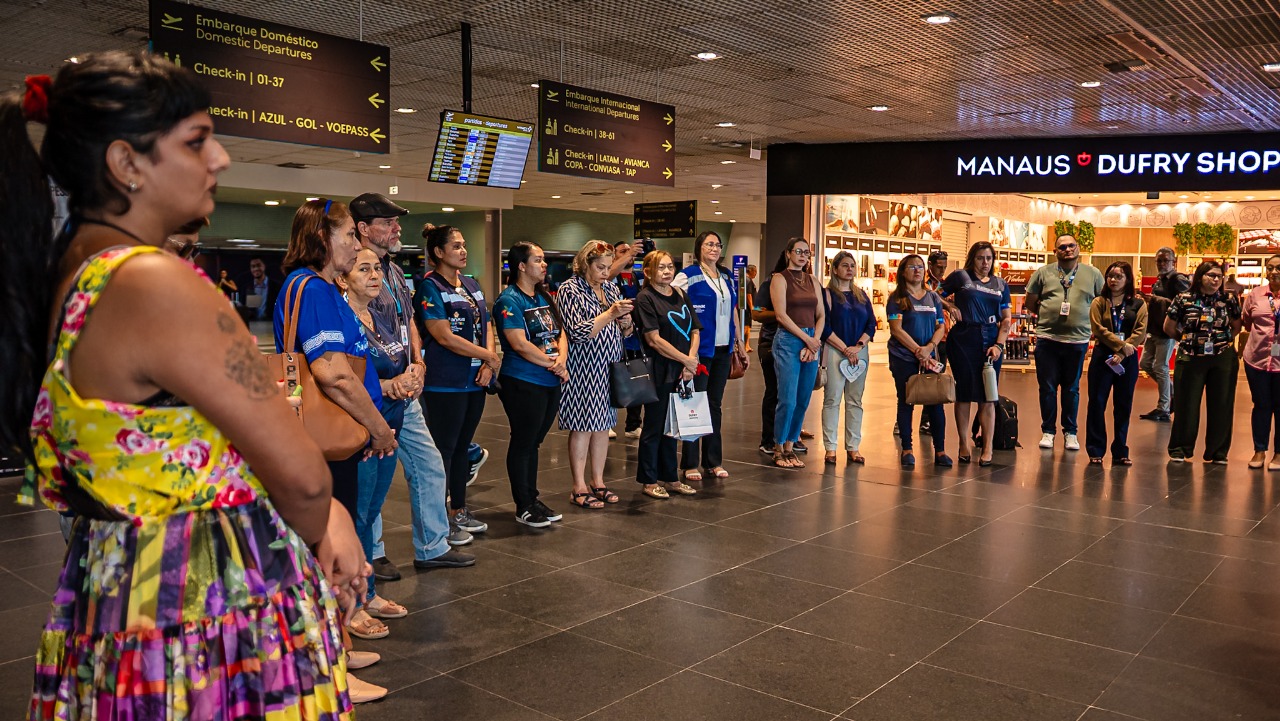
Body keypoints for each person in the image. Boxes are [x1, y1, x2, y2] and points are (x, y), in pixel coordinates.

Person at [3, 52, 367, 718]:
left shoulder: (70, 270)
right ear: (126, 163)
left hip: (118, 588)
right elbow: (304, 478)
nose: (220, 158)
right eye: (197, 141)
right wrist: (323, 518)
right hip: (205, 597)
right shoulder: (154, 282)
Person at [350, 197, 473, 576]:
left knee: (429, 464)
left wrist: (418, 363)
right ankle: (372, 555)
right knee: (373, 477)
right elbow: (358, 335)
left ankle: (432, 547)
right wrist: (389, 381)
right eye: (387, 222)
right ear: (363, 229)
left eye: (396, 223)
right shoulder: (352, 272)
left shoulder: (397, 273)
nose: (396, 228)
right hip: (376, 392)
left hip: (408, 390)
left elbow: (409, 324)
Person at [276, 199, 397, 522]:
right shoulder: (313, 289)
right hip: (327, 441)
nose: (357, 246)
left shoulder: (326, 289)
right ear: (321, 238)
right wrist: (379, 428)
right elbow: (334, 375)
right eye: (348, 236)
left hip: (345, 433)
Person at [338, 247, 412, 638]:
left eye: (377, 269)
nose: (374, 275)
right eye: (363, 269)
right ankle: (353, 604)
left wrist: (410, 377)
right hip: (363, 431)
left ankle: (368, 592)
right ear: (342, 278)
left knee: (372, 511)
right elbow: (344, 380)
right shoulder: (344, 319)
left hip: (392, 425)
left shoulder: (380, 316)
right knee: (359, 517)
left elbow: (397, 360)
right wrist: (389, 386)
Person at [414, 224, 497, 534]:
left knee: (463, 446)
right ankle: (439, 518)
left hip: (475, 378)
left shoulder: (472, 284)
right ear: (439, 252)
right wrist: (487, 355)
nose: (464, 251)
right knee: (444, 448)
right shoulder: (430, 287)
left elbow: (486, 324)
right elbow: (443, 336)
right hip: (444, 380)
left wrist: (487, 360)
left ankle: (460, 509)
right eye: (457, 246)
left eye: (464, 245)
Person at [493, 242, 569, 527]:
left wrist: (561, 359)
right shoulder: (509, 300)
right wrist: (554, 364)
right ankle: (523, 505)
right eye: (538, 260)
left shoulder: (544, 296)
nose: (544, 265)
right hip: (523, 380)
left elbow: (561, 334)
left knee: (534, 443)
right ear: (521, 266)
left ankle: (532, 498)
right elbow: (519, 344)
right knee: (523, 442)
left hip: (550, 379)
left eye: (544, 259)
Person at [558, 241, 631, 508]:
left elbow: (626, 332)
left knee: (603, 426)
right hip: (583, 367)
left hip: (610, 365)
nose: (604, 272)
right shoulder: (570, 289)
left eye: (607, 267)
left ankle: (598, 480)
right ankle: (578, 485)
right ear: (585, 264)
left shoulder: (611, 288)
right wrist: (610, 313)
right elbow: (576, 332)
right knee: (583, 425)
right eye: (599, 267)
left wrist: (625, 322)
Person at [674, 231, 748, 481]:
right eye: (709, 244)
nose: (714, 249)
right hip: (699, 350)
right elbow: (672, 304)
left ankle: (713, 461)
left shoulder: (726, 276)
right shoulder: (688, 276)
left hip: (723, 349)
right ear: (699, 248)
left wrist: (739, 343)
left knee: (715, 405)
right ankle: (690, 463)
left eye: (718, 245)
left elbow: (733, 311)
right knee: (694, 403)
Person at [1024, 233, 1105, 451]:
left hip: (1077, 340)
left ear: (1078, 248)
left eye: (1071, 246)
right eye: (1062, 247)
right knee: (1048, 388)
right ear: (1055, 251)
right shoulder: (1042, 273)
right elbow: (1030, 302)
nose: (1067, 250)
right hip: (1047, 339)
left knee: (1071, 389)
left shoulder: (1093, 274)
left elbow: (1102, 303)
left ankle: (1071, 432)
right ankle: (1047, 431)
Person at [634, 250, 702, 498]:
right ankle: (649, 480)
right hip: (659, 369)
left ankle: (671, 477)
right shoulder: (645, 298)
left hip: (684, 369)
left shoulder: (681, 294)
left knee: (674, 426)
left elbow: (695, 329)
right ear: (648, 271)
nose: (666, 272)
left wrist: (690, 361)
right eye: (661, 268)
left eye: (670, 267)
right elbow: (653, 339)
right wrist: (685, 359)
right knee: (654, 426)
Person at [940, 242, 1010, 466]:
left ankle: (987, 446)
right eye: (980, 258)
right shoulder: (961, 277)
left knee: (988, 394)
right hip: (963, 338)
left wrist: (999, 344)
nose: (985, 263)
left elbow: (1006, 318)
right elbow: (934, 295)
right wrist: (949, 306)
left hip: (990, 338)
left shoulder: (1000, 284)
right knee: (964, 391)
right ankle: (963, 442)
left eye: (989, 258)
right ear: (973, 258)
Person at [1164, 260, 1242, 463]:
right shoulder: (1183, 299)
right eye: (1211, 275)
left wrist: (1221, 342)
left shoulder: (1229, 299)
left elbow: (1236, 326)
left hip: (1222, 356)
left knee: (1222, 405)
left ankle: (1218, 452)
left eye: (1219, 276)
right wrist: (1186, 340)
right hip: (1191, 356)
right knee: (1186, 404)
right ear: (1200, 277)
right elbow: (1169, 327)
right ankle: (1180, 448)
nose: (1216, 279)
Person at [886, 254, 952, 468]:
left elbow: (940, 325)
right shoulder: (897, 299)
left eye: (920, 267)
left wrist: (929, 348)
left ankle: (940, 451)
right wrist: (917, 351)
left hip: (929, 356)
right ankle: (907, 449)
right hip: (903, 356)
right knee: (906, 401)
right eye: (912, 267)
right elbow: (896, 330)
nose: (917, 271)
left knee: (935, 401)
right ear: (903, 271)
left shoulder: (932, 297)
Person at [1084, 262, 1148, 466]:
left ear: (1128, 279)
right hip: (1103, 356)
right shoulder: (1099, 302)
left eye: (1119, 276)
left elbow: (1140, 331)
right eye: (1110, 276)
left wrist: (1122, 352)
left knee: (1123, 405)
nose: (1113, 280)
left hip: (1127, 360)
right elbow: (1098, 329)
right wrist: (1121, 346)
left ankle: (1120, 450)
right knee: (1096, 403)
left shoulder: (1138, 304)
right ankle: (1095, 449)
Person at [769, 237, 825, 468]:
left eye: (806, 252)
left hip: (811, 339)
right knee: (788, 399)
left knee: (803, 399)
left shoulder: (813, 280)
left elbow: (821, 314)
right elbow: (781, 315)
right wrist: (806, 340)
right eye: (798, 251)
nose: (803, 255)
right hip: (789, 340)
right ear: (788, 253)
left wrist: (815, 340)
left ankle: (791, 446)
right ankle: (778, 447)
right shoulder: (779, 279)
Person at [820, 251, 876, 465]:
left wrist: (859, 345)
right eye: (845, 265)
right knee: (832, 399)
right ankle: (830, 448)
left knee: (855, 400)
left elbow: (871, 324)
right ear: (835, 269)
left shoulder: (861, 295)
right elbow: (824, 326)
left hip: (859, 353)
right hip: (836, 351)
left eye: (852, 265)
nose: (849, 269)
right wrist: (845, 348)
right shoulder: (827, 294)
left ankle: (853, 447)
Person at [1139, 247, 1189, 422]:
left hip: (1167, 332)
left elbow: (1186, 302)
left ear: (1173, 261)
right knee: (1145, 363)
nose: (1161, 264)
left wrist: (1154, 299)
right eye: (1159, 261)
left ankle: (1164, 408)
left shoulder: (1178, 280)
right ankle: (1173, 393)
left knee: (1161, 367)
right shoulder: (1160, 280)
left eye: (1165, 260)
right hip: (1154, 329)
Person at [1239, 254, 1280, 469]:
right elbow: (1247, 322)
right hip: (1257, 359)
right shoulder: (1255, 294)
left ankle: (1279, 454)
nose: (1274, 272)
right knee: (1261, 405)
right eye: (1270, 268)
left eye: (1279, 268)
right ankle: (1259, 450)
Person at [613, 239, 645, 439]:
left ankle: (633, 424)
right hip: (614, 333)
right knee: (612, 377)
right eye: (623, 251)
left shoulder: (638, 277)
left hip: (635, 334)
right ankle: (608, 420)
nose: (629, 253)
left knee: (637, 377)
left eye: (630, 251)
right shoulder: (610, 277)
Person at [239, 256, 279, 322]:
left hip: (271, 324)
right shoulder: (247, 287)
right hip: (253, 325)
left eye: (258, 265)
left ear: (264, 266)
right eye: (253, 266)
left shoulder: (276, 286)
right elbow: (243, 308)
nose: (256, 269)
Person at [744, 264, 758, 353]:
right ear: (751, 271)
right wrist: (752, 307)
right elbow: (748, 295)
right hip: (746, 309)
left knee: (748, 327)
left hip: (747, 308)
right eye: (755, 271)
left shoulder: (747, 280)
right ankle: (745, 345)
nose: (756, 274)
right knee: (746, 327)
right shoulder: (748, 280)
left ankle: (747, 345)